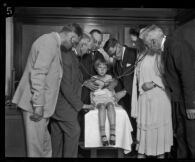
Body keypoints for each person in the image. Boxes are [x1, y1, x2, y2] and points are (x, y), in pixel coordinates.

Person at [12, 23, 83, 157]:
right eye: (75, 43)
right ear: (72, 37)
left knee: (45, 148)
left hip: (43, 107)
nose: (74, 46)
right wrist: (38, 105)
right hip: (34, 105)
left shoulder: (54, 44)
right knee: (36, 150)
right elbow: (38, 74)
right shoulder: (49, 42)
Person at [140, 24, 195, 159]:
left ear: (153, 41)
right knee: (181, 137)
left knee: (191, 139)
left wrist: (190, 105)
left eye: (147, 45)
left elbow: (188, 76)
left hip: (186, 102)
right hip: (178, 99)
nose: (147, 48)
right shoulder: (167, 47)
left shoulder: (177, 46)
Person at [131, 34, 173, 158]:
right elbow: (136, 78)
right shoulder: (140, 56)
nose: (135, 44)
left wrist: (154, 83)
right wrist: (141, 87)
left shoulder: (161, 55)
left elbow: (170, 76)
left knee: (159, 139)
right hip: (144, 99)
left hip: (160, 99)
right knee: (143, 143)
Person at [50, 42, 94, 157]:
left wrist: (83, 83)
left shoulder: (72, 56)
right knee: (74, 132)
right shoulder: (67, 55)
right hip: (64, 106)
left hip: (59, 105)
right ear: (82, 45)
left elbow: (72, 81)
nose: (88, 52)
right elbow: (66, 86)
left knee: (56, 136)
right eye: (87, 49)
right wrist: (82, 105)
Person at [103, 38, 137, 146]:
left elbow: (137, 77)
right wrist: (113, 83)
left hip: (136, 95)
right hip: (126, 96)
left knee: (137, 121)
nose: (113, 57)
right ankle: (131, 143)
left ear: (118, 45)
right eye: (111, 55)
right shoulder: (117, 60)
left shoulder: (133, 53)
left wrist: (124, 91)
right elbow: (118, 76)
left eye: (114, 53)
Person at [90, 58, 118, 146]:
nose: (102, 70)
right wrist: (91, 102)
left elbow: (112, 89)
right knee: (102, 107)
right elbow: (91, 91)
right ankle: (103, 134)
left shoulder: (109, 77)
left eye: (104, 68)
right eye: (100, 67)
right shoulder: (93, 78)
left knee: (110, 105)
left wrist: (115, 98)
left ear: (107, 69)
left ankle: (112, 133)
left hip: (108, 97)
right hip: (98, 97)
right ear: (96, 68)